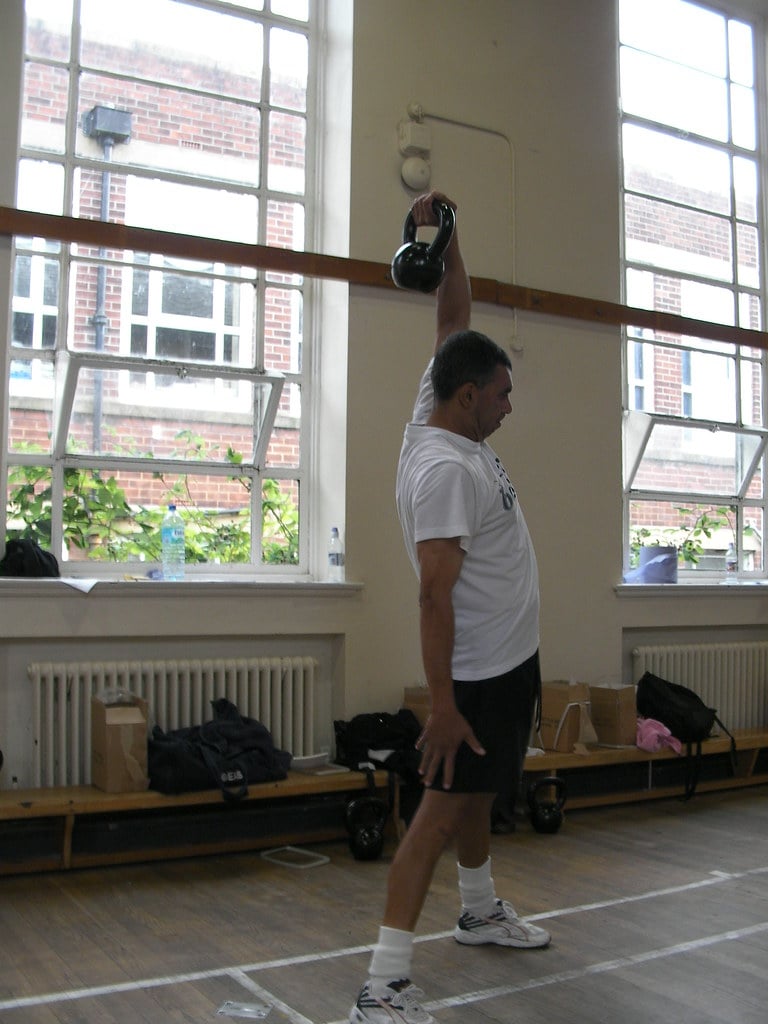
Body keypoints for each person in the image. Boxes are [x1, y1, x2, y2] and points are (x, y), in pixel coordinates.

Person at [348, 191, 549, 1024]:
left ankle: (479, 910)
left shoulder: (441, 419)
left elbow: (454, 306)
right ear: (467, 395)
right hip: (473, 680)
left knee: (477, 796)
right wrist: (440, 705)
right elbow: (432, 591)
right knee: (438, 812)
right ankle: (383, 984)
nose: (509, 404)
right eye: (501, 393)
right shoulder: (446, 472)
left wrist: (451, 228)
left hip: (506, 664)